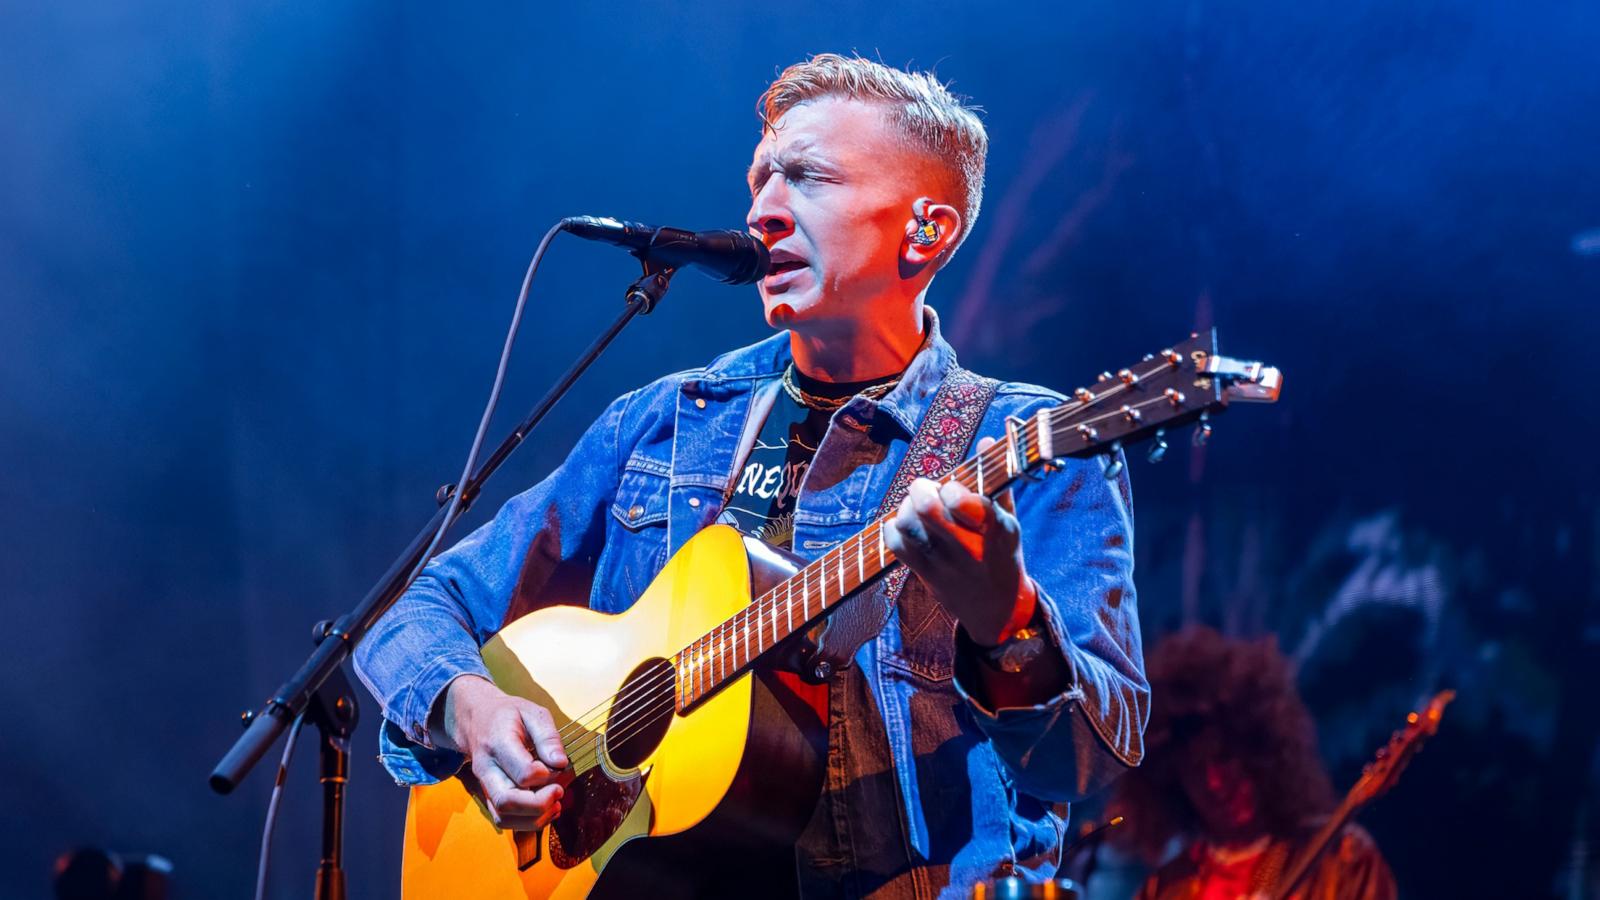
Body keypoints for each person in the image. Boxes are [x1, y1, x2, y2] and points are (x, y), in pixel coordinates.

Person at [355, 53, 1147, 898]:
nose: (763, 209)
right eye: (761, 177)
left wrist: (1008, 622)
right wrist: (467, 707)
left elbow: (1085, 762)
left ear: (927, 230)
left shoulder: (1028, 445)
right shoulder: (662, 423)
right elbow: (411, 610)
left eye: (808, 178)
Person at [1111, 627, 1396, 900]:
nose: (1216, 783)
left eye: (1225, 759)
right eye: (1197, 772)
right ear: (1174, 784)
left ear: (1261, 750)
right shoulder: (1164, 890)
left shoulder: (1341, 857)